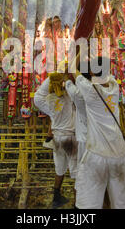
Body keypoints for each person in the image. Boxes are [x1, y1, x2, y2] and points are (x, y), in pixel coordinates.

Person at [70, 56, 125, 209]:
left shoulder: (90, 89)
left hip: (97, 154)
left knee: (89, 203)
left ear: (91, 72)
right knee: (121, 201)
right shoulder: (115, 86)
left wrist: (79, 51)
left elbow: (73, 70)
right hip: (119, 154)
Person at [34, 72, 77, 209]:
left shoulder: (50, 100)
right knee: (76, 173)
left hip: (57, 139)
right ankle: (78, 204)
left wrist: (53, 77)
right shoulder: (70, 97)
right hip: (71, 138)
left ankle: (56, 198)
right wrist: (69, 76)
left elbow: (37, 97)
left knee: (60, 169)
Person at [65, 65, 88, 200]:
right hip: (99, 142)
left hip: (84, 141)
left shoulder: (78, 95)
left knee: (81, 176)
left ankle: (79, 203)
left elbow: (67, 81)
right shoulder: (102, 91)